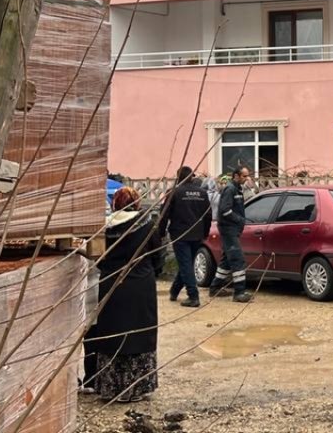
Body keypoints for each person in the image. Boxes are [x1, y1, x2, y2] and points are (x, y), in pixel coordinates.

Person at [84, 187, 162, 402]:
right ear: (136, 203)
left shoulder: (104, 229)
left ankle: (111, 387)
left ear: (114, 204)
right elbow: (158, 256)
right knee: (139, 334)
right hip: (140, 287)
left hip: (111, 285)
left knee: (112, 333)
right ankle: (136, 387)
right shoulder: (147, 225)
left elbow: (97, 258)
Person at [160, 166, 211, 308]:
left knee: (185, 264)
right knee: (186, 264)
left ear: (178, 177)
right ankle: (174, 290)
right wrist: (205, 233)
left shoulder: (174, 192)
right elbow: (208, 215)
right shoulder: (202, 193)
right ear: (191, 177)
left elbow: (163, 215)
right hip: (197, 234)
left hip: (180, 234)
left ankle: (193, 296)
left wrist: (161, 232)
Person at [211, 166, 254, 303]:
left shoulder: (238, 189)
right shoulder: (230, 189)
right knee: (237, 259)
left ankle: (215, 287)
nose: (246, 178)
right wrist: (240, 220)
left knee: (226, 260)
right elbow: (225, 211)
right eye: (244, 176)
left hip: (233, 229)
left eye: (247, 176)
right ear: (236, 175)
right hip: (228, 229)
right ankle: (239, 292)